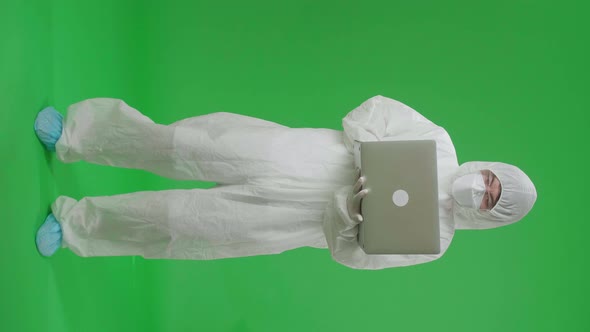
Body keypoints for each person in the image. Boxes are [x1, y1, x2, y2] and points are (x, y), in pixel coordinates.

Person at [33, 95, 537, 269]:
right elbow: (374, 110)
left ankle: (77, 226)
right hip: (293, 155)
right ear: (487, 168)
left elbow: (356, 257)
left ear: (486, 216)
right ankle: (75, 135)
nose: (480, 190)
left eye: (490, 201)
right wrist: (368, 154)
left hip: (290, 222)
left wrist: (350, 215)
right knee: (183, 145)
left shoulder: (438, 239)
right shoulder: (438, 144)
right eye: (490, 181)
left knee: (179, 223)